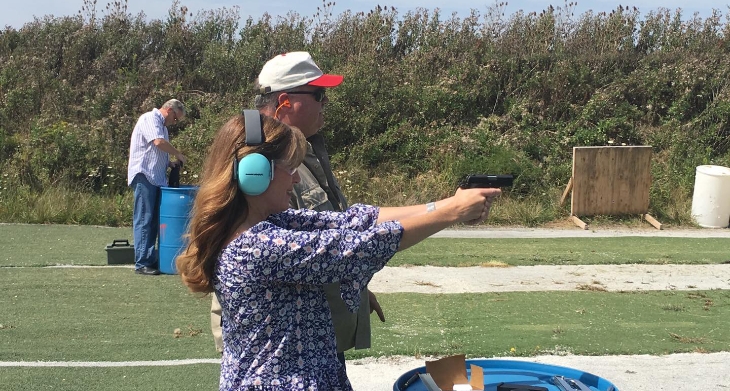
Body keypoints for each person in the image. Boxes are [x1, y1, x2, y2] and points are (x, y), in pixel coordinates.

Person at [176, 112, 500, 391]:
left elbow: (355, 221)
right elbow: (358, 248)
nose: (293, 178)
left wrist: (446, 203)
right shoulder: (255, 247)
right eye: (289, 167)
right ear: (255, 173)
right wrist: (453, 214)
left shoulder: (276, 223)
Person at [210, 51, 374, 363]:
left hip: (313, 335)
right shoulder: (258, 165)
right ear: (285, 101)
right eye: (318, 94)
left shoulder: (305, 151)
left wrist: (357, 289)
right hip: (282, 350)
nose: (325, 102)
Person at [127, 99, 187, 275]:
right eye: (175, 119)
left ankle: (149, 257)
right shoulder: (150, 119)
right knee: (144, 219)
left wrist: (169, 163)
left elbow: (156, 152)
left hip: (156, 177)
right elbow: (158, 143)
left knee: (153, 220)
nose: (174, 123)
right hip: (144, 175)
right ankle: (142, 262)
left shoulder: (163, 127)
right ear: (169, 110)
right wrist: (177, 153)